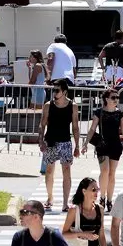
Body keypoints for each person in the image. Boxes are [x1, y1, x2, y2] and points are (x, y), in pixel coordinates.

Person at [83, 88, 123, 212]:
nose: (116, 100)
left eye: (117, 98)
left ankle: (109, 200)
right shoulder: (99, 112)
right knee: (104, 171)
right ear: (106, 99)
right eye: (113, 97)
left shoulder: (120, 114)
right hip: (102, 145)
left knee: (112, 174)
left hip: (115, 145)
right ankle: (102, 197)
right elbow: (92, 129)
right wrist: (85, 144)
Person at [38, 78, 81, 212]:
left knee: (66, 171)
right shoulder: (48, 105)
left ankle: (65, 203)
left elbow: (75, 127)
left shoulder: (72, 106)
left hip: (65, 142)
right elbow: (42, 124)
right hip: (50, 141)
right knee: (49, 171)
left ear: (64, 92)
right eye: (53, 90)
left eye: (57, 90)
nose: (54, 93)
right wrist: (40, 140)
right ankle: (50, 197)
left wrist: (77, 146)